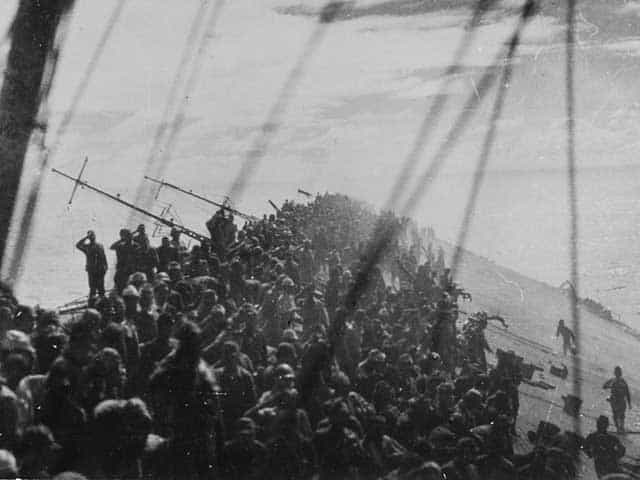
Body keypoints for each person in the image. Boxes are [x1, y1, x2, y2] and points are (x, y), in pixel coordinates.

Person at [75, 231, 108, 299]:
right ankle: (93, 301)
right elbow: (78, 245)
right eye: (90, 236)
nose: (92, 237)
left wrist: (105, 267)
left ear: (95, 236)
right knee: (92, 288)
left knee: (101, 287)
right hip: (91, 270)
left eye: (93, 235)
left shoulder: (100, 246)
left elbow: (103, 257)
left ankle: (102, 300)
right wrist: (86, 237)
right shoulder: (87, 247)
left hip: (100, 269)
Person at [603, 366, 632, 433]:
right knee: (618, 415)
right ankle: (619, 428)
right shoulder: (616, 380)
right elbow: (604, 386)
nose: (618, 373)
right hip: (616, 400)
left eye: (618, 372)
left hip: (619, 400)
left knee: (618, 415)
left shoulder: (621, 381)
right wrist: (610, 386)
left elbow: (627, 392)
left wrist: (629, 403)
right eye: (617, 372)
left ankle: (620, 428)